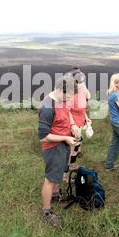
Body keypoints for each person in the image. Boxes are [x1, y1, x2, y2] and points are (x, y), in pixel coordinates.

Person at [38, 76, 77, 226]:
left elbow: (68, 111)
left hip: (63, 141)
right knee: (50, 178)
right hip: (53, 146)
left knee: (60, 172)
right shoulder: (47, 107)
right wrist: (65, 138)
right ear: (59, 90)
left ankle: (56, 195)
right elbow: (43, 137)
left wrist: (72, 124)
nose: (70, 99)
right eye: (68, 96)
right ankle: (46, 211)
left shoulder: (62, 99)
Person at [65, 67, 92, 181]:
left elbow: (84, 105)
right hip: (73, 125)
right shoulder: (70, 94)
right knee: (70, 150)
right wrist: (72, 125)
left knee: (76, 148)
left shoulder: (80, 92)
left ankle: (72, 166)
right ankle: (65, 174)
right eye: (79, 81)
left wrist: (86, 118)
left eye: (82, 80)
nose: (81, 83)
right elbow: (68, 110)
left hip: (80, 123)